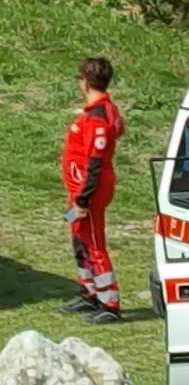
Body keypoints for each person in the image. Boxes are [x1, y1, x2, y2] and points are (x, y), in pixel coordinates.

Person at [56, 57, 126, 324]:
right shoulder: (100, 111)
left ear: (84, 82)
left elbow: (95, 163)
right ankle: (90, 293)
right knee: (79, 238)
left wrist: (83, 201)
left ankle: (110, 303)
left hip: (89, 192)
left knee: (94, 243)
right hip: (80, 190)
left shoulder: (98, 117)